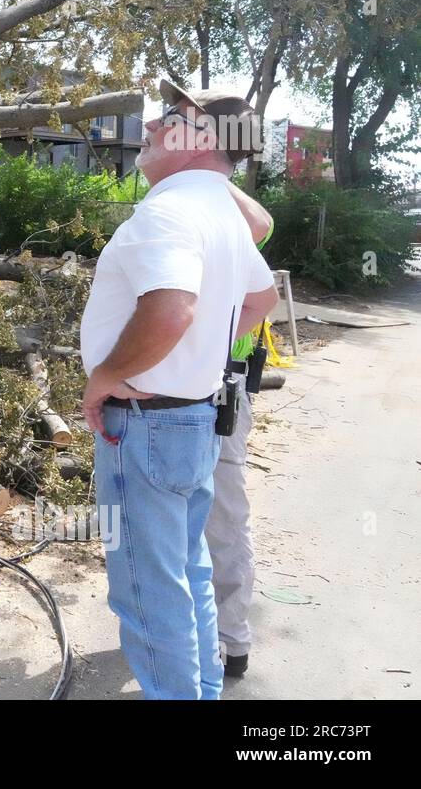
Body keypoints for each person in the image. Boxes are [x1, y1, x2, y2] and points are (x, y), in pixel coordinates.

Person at [79, 79, 279, 699]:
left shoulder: (169, 210)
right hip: (190, 420)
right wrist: (199, 357)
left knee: (145, 588)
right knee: (187, 572)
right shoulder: (219, 211)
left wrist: (108, 378)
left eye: (169, 116)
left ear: (200, 136)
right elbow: (262, 297)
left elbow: (170, 310)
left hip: (144, 424)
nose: (150, 125)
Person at [208, 187, 275, 681]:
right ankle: (178, 628)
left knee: (224, 515)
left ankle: (231, 640)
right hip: (163, 395)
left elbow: (260, 223)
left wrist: (213, 175)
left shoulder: (235, 235)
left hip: (222, 389)